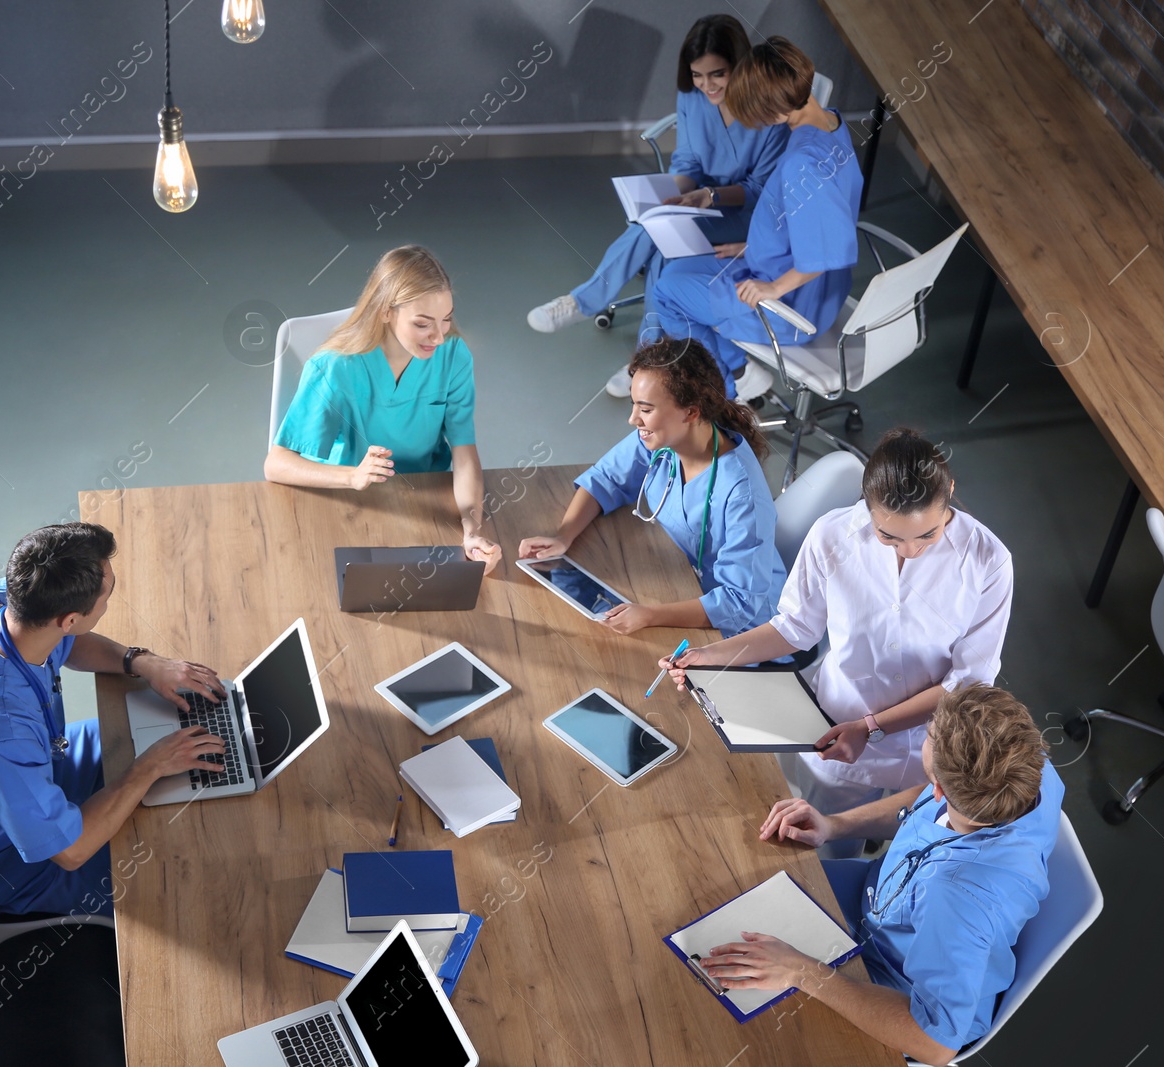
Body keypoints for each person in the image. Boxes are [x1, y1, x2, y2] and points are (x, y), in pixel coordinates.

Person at [663, 429, 1013, 853]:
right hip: (837, 726)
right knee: (832, 847)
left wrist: (873, 727)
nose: (910, 551)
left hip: (931, 742)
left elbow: (968, 682)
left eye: (927, 535)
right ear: (868, 507)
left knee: (913, 843)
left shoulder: (989, 560)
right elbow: (793, 628)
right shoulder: (832, 535)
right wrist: (711, 656)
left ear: (950, 494)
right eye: (889, 536)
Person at [699, 684, 1062, 1066]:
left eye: (928, 733)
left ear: (941, 787)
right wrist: (834, 825)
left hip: (894, 980)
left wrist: (801, 971)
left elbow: (935, 1043)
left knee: (742, 1029)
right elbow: (931, 797)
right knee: (739, 886)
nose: (927, 728)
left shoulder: (956, 899)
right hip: (877, 898)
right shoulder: (1027, 764)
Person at [0, 523, 229, 921]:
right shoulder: (1, 736)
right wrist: (150, 767)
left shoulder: (0, 602)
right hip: (2, 864)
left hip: (33, 764)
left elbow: (68, 642)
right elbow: (71, 851)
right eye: (108, 595)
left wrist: (142, 663)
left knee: (148, 732)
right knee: (176, 866)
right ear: (70, 618)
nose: (111, 602)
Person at [525, 15, 789, 396]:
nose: (706, 86)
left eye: (717, 74)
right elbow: (688, 163)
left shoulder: (768, 113)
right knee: (656, 226)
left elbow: (760, 189)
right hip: (700, 201)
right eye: (697, 75)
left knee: (656, 234)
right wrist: (670, 193)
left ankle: (586, 304)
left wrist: (709, 196)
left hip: (745, 216)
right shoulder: (692, 97)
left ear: (741, 65)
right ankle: (648, 359)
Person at [518, 337, 784, 638]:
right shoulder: (665, 438)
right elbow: (607, 478)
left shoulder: (742, 494)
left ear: (691, 412)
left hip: (741, 633)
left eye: (645, 409)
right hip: (674, 580)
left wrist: (649, 615)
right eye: (634, 405)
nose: (633, 419)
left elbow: (739, 603)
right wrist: (563, 536)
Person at [646, 36, 862, 398]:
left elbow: (827, 251)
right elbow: (818, 218)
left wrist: (773, 287)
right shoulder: (831, 124)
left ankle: (730, 385)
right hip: (803, 279)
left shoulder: (802, 164)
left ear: (773, 110)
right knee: (676, 272)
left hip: (793, 305)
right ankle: (730, 367)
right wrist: (755, 245)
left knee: (667, 294)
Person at [265, 245, 501, 571]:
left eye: (445, 320)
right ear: (386, 312)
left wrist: (472, 529)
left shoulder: (454, 356)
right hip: (346, 499)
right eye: (422, 324)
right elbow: (276, 465)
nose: (438, 336)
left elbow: (464, 453)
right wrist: (354, 476)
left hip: (423, 498)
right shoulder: (334, 366)